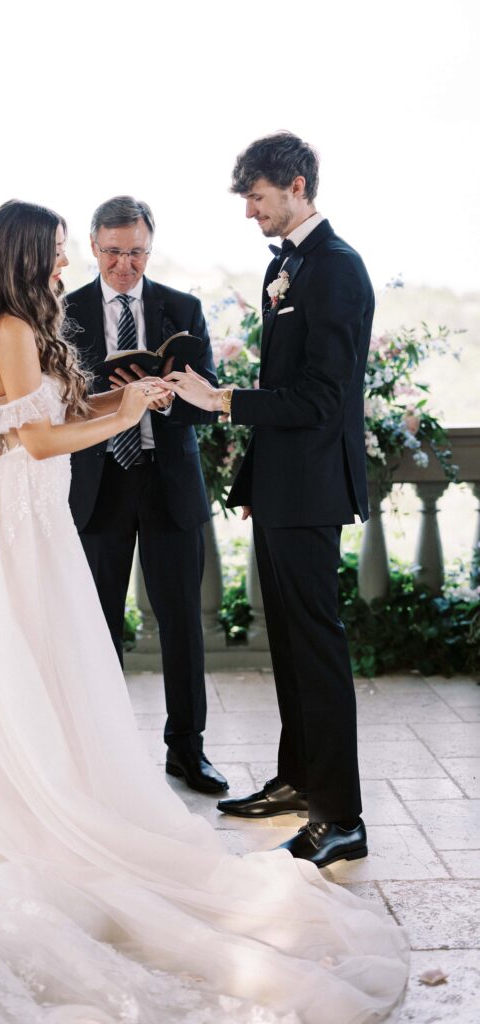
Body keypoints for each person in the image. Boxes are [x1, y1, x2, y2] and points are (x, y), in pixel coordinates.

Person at [0, 200, 408, 1023]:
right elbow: (34, 443)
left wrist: (129, 400)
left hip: (36, 519)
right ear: (23, 255)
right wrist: (119, 414)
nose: (63, 265)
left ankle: (53, 782)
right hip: (16, 519)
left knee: (45, 669)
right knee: (9, 667)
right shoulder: (8, 327)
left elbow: (52, 418)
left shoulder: (27, 321)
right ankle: (7, 808)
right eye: (54, 252)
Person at [164, 132, 374, 870]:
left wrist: (220, 401)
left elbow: (320, 398)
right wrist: (255, 482)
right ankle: (297, 781)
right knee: (287, 644)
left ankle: (340, 816)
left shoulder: (337, 271)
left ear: (294, 184)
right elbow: (284, 383)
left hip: (314, 490)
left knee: (316, 650)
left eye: (256, 198)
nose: (249, 213)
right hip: (282, 490)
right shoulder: (286, 268)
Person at [64, 196, 227, 794]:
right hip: (98, 482)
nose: (125, 265)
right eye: (113, 252)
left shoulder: (182, 308)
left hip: (169, 477)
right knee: (96, 623)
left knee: (182, 620)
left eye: (136, 252)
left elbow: (208, 408)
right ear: (93, 246)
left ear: (149, 248)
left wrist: (170, 395)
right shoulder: (64, 312)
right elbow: (55, 404)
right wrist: (109, 395)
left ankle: (187, 750)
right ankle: (100, 752)